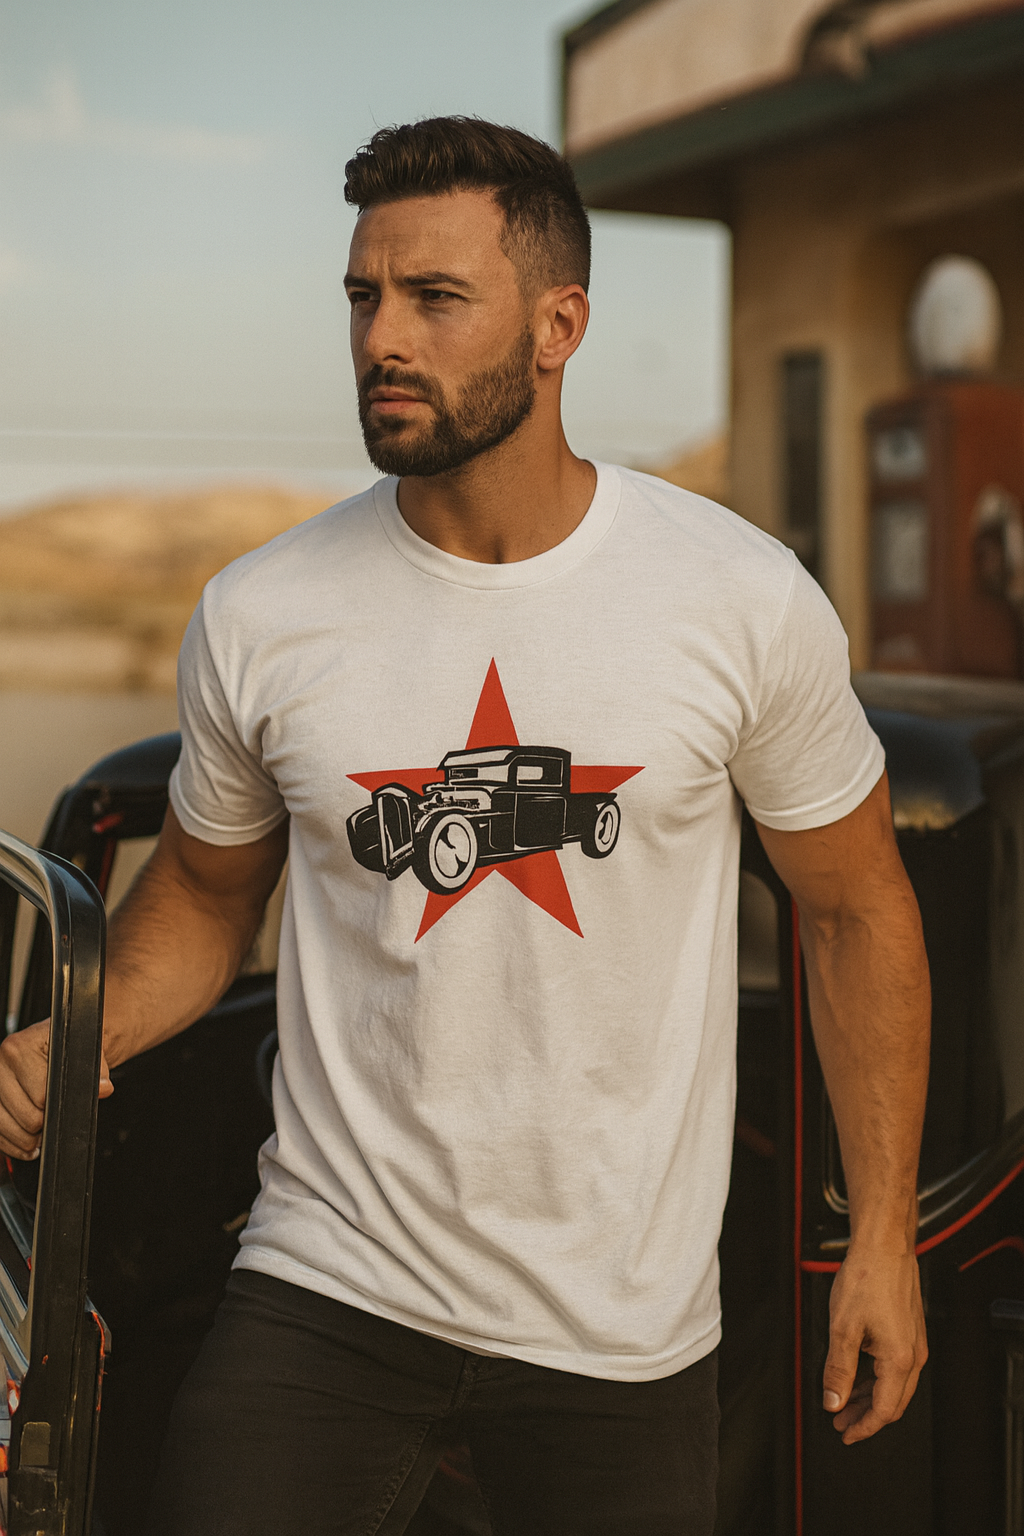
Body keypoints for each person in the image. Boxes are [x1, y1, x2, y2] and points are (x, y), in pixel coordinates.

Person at [0, 118, 930, 1536]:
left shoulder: (736, 600)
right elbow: (200, 892)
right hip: (331, 1280)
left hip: (622, 1323)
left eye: (435, 299)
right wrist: (78, 1037)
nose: (384, 335)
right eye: (364, 296)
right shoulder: (263, 613)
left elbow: (858, 906)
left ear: (559, 327)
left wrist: (884, 1237)